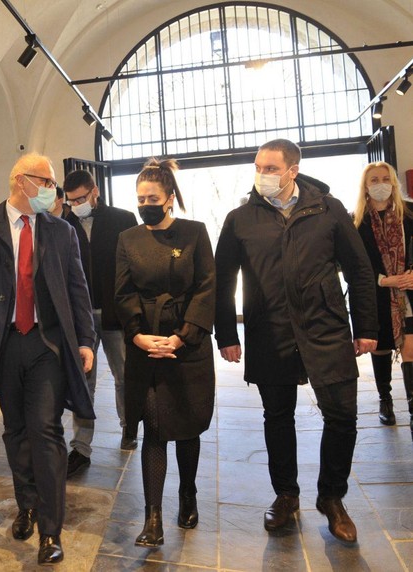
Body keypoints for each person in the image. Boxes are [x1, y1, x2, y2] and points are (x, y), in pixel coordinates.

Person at [215, 139, 378, 544]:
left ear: (293, 170)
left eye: (271, 168)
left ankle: (332, 498)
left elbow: (359, 270)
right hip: (269, 331)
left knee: (342, 416)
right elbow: (223, 282)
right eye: (258, 167)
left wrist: (367, 328)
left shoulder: (328, 210)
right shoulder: (240, 219)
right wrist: (227, 334)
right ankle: (286, 495)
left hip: (326, 328)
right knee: (277, 417)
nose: (262, 175)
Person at [0, 153, 95, 565]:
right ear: (20, 180)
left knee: (46, 430)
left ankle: (51, 529)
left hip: (47, 344)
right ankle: (26, 503)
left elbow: (78, 289)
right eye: (45, 181)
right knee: (15, 430)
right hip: (2, 345)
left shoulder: (61, 231)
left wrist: (85, 340)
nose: (52, 190)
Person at [114, 158, 215, 547]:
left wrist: (183, 336)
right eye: (140, 199)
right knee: (154, 427)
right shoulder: (128, 239)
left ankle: (188, 493)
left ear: (169, 198)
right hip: (146, 345)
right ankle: (152, 517)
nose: (145, 205)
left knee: (187, 425)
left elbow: (207, 287)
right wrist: (138, 336)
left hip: (187, 344)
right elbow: (123, 292)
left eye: (152, 198)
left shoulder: (194, 233)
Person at [63, 169, 140, 478]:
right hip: (80, 317)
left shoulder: (123, 219)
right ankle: (81, 447)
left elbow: (135, 267)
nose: (76, 205)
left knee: (124, 376)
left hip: (115, 313)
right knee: (83, 382)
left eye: (80, 198)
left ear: (94, 191)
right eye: (71, 201)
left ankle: (129, 427)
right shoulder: (64, 224)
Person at [353, 161, 413, 438]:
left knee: (410, 349)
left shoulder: (409, 213)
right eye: (374, 180)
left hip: (408, 292)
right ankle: (385, 399)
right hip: (375, 294)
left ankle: (412, 406)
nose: (381, 184)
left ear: (394, 183)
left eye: (385, 179)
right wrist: (383, 280)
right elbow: (353, 263)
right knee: (381, 348)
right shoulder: (356, 221)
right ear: (365, 186)